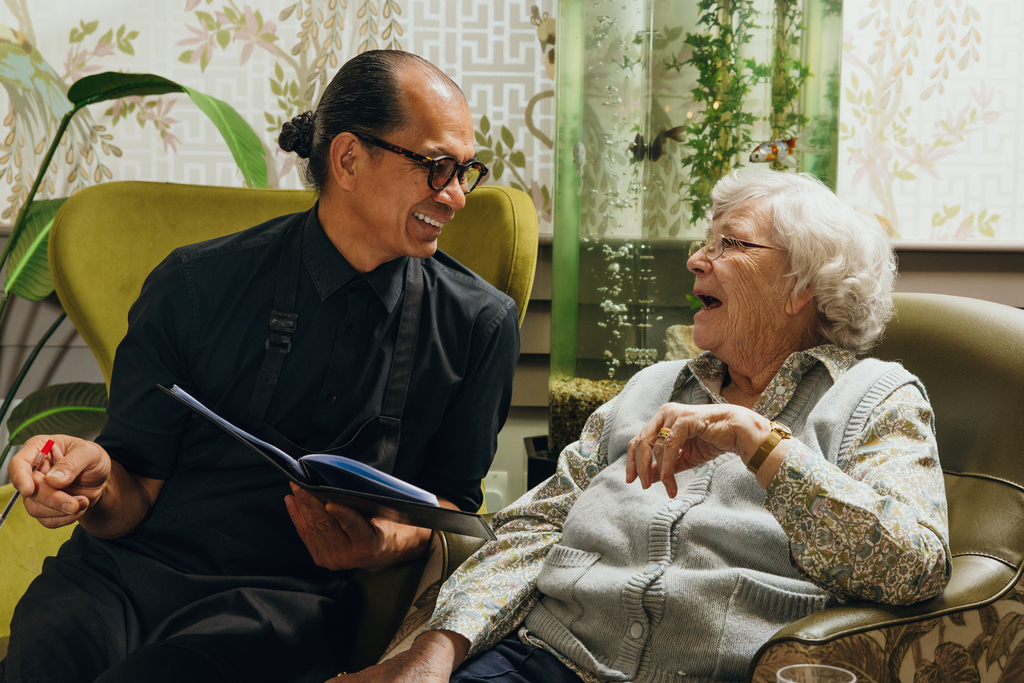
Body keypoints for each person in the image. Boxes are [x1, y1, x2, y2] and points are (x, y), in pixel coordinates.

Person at [3, 51, 520, 683]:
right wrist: (89, 480)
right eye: (438, 168)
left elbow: (453, 508)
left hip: (282, 605)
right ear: (349, 160)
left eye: (466, 171)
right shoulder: (193, 284)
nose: (457, 196)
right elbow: (131, 498)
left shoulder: (479, 325)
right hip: (119, 578)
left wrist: (387, 543)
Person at [342, 170, 950, 683]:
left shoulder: (877, 398)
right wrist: (433, 652)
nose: (696, 259)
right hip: (544, 660)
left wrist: (760, 442)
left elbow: (914, 565)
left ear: (800, 287)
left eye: (730, 244)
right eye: (705, 242)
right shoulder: (650, 388)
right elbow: (535, 527)